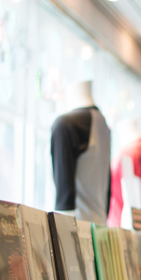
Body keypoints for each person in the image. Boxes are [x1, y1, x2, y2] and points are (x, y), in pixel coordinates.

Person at [50, 81, 111, 225]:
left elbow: (64, 199)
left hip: (77, 230)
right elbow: (108, 190)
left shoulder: (65, 125)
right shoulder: (104, 124)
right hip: (100, 228)